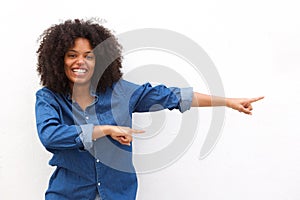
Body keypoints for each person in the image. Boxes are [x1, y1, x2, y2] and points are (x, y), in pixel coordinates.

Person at [35, 18, 264, 200]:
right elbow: (50, 136)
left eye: (89, 56)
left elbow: (171, 96)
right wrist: (104, 129)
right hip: (68, 195)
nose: (80, 62)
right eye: (72, 55)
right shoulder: (48, 98)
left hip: (118, 194)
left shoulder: (122, 92)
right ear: (58, 60)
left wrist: (226, 101)